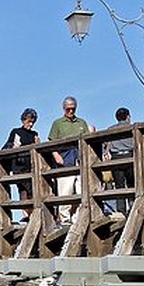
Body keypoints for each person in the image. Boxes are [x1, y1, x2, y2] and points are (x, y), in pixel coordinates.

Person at [48, 96, 90, 225]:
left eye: (73, 109)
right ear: (64, 109)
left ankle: (78, 218)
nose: (71, 112)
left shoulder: (81, 122)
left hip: (79, 158)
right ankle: (65, 219)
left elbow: (88, 139)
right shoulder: (58, 123)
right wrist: (56, 156)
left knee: (81, 190)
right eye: (68, 109)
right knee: (65, 191)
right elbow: (51, 141)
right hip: (65, 158)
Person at [2, 108, 39, 212]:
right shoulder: (16, 132)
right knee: (23, 189)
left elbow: (37, 147)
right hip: (19, 164)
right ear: (23, 120)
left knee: (33, 188)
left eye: (33, 122)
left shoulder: (34, 134)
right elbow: (8, 146)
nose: (31, 124)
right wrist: (14, 146)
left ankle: (32, 212)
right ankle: (27, 213)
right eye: (29, 121)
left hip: (31, 164)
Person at [103, 107, 134, 215]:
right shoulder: (133, 128)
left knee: (119, 185)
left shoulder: (110, 129)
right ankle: (133, 207)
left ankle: (121, 210)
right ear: (128, 116)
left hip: (116, 158)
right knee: (132, 184)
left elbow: (105, 145)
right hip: (130, 156)